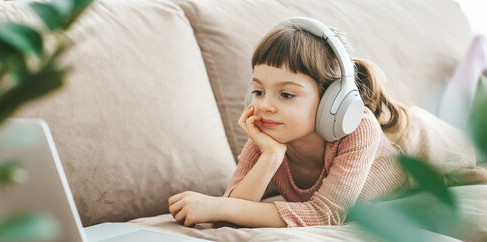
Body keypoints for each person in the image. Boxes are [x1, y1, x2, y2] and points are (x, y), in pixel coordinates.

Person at [168, 17, 485, 228]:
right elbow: (233, 212)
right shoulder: (269, 134)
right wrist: (271, 158)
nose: (264, 106)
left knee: (464, 121)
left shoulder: (358, 127)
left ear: (334, 102)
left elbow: (326, 213)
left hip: (431, 140)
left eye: (287, 95)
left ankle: (476, 59)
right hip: (413, 146)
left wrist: (219, 207)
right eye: (258, 90)